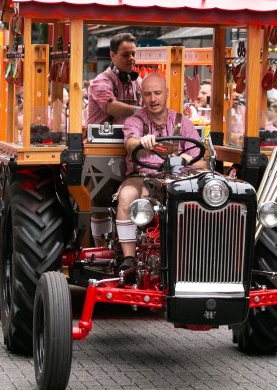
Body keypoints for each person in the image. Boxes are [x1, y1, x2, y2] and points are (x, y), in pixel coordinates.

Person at [115, 74, 206, 277]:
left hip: (177, 178)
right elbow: (130, 143)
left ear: (166, 94)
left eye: (157, 93)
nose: (153, 99)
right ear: (142, 98)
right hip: (143, 175)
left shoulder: (183, 122)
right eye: (148, 94)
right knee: (127, 195)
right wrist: (141, 142)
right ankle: (128, 258)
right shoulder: (136, 121)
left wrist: (185, 158)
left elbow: (202, 161)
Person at [86, 33, 142, 246]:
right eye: (125, 54)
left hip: (130, 149)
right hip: (102, 151)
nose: (131, 59)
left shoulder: (137, 83)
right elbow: (110, 106)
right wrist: (141, 110)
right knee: (100, 201)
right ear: (112, 55)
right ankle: (100, 250)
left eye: (133, 54)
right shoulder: (100, 82)